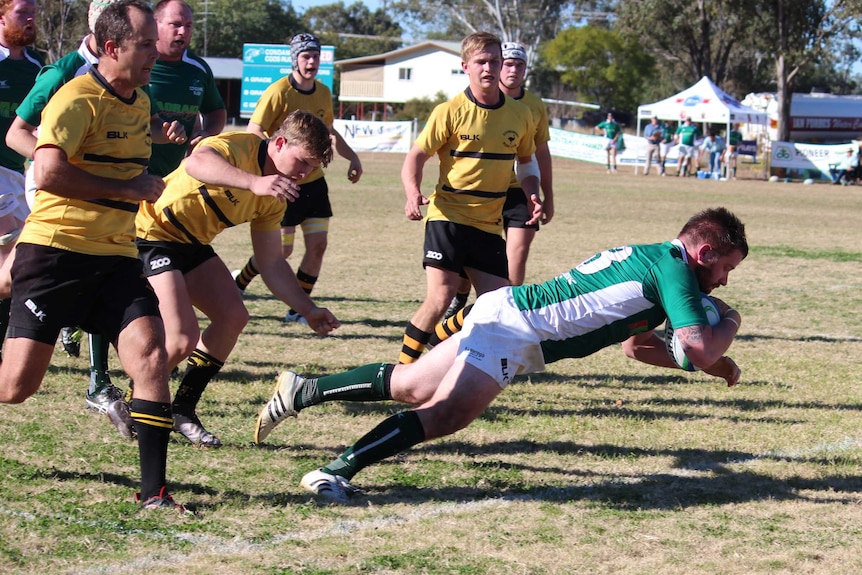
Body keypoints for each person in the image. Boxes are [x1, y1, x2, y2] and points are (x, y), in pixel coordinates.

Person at [254, 207, 747, 502]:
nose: (724, 280)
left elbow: (636, 346)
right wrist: (729, 323)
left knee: (410, 386)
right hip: (516, 326)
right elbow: (699, 347)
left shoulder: (661, 264)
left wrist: (716, 362)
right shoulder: (676, 270)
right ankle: (333, 472)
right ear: (704, 253)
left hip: (508, 312)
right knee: (447, 413)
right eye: (726, 267)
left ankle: (304, 389)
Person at [0, 0, 187, 512]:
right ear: (112, 48)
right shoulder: (74, 98)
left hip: (117, 256)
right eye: (145, 44)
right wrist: (128, 189)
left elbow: (122, 147)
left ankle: (154, 493)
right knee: (15, 388)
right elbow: (48, 173)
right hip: (56, 253)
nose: (155, 52)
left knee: (151, 357)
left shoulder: (141, 101)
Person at [135, 110, 340, 447]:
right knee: (183, 335)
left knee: (234, 316)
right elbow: (196, 163)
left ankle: (182, 409)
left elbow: (271, 261)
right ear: (278, 143)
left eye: (312, 169)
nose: (304, 174)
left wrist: (307, 308)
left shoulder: (276, 196)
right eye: (302, 162)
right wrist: (254, 182)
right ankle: (139, 399)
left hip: (192, 245)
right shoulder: (239, 146)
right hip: (151, 233)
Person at [397, 32, 541, 365]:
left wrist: (533, 192)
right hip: (448, 216)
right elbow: (415, 157)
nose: (489, 67)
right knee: (441, 295)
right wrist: (411, 193)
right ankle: (400, 373)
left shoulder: (520, 115)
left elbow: (527, 161)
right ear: (466, 66)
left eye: (495, 60)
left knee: (498, 302)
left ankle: (439, 340)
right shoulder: (449, 111)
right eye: (481, 62)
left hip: (489, 223)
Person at [233, 33, 362, 324]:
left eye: (316, 56)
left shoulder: (323, 92)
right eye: (306, 56)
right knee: (282, 251)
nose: (312, 61)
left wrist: (352, 156)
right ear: (295, 59)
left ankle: (296, 311)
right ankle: (239, 282)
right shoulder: (278, 92)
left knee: (318, 246)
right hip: (285, 184)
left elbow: (329, 132)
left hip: (314, 183)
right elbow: (254, 130)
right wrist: (271, 168)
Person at [444, 41, 554, 317]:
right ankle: (459, 299)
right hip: (480, 190)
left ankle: (508, 312)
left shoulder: (534, 106)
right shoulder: (471, 101)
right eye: (508, 63)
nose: (513, 69)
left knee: (516, 252)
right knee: (471, 259)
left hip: (520, 191)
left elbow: (540, 153)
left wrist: (547, 196)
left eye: (520, 64)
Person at [0, 0, 42, 361]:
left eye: (33, 14)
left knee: (10, 270)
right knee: (12, 262)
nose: (30, 20)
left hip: (17, 175)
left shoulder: (36, 68)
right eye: (21, 13)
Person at [148, 0, 226, 177]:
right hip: (133, 175)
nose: (183, 31)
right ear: (155, 23)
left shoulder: (199, 69)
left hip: (176, 177)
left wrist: (206, 133)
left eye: (188, 26)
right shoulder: (138, 62)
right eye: (175, 24)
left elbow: (216, 112)